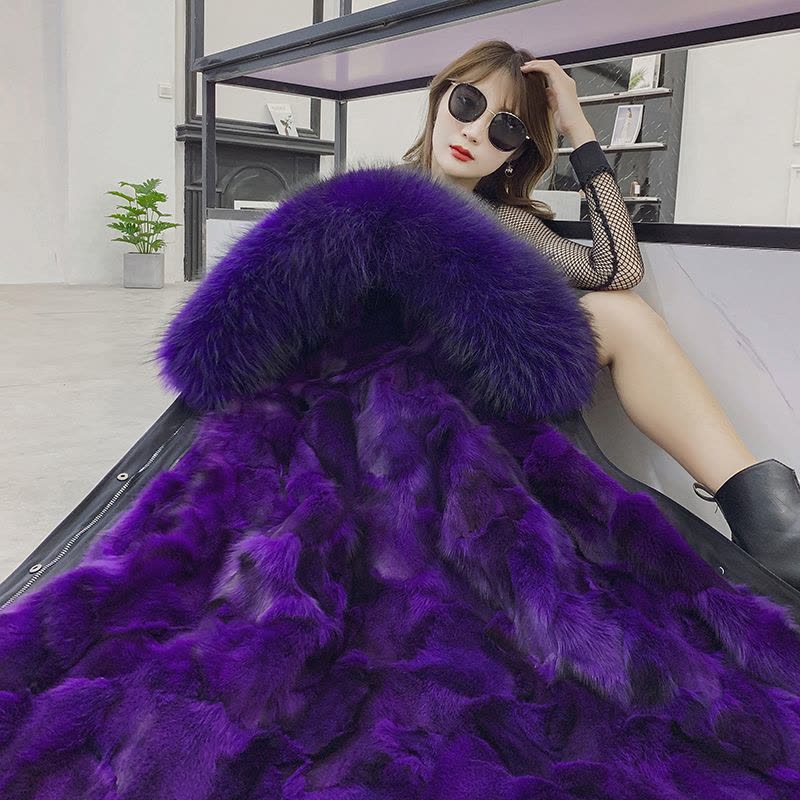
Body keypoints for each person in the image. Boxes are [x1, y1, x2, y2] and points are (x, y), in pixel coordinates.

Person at [399, 39, 800, 588]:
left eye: (505, 129)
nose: (474, 132)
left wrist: (579, 130)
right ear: (441, 97)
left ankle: (780, 532)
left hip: (489, 398)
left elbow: (618, 266)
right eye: (468, 103)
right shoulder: (369, 197)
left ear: (515, 153)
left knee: (620, 312)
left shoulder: (506, 222)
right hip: (406, 410)